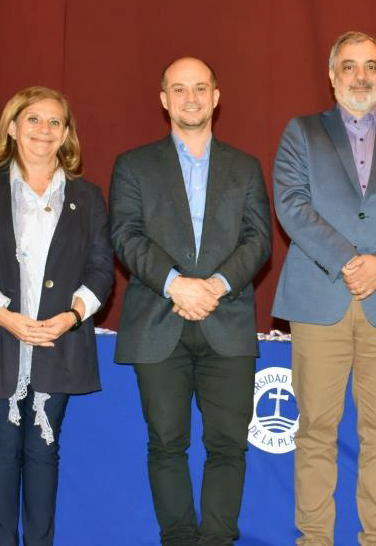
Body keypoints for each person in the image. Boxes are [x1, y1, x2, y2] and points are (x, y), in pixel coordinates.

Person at [272, 31, 376, 545]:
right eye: (349, 66)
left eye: (370, 67)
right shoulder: (301, 132)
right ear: (331, 75)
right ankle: (314, 539)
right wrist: (349, 260)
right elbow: (291, 204)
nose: (360, 76)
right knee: (316, 431)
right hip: (320, 298)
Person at [0, 87, 114, 546]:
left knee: (43, 452)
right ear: (12, 128)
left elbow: (101, 269)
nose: (44, 130)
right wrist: (4, 315)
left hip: (60, 340)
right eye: (33, 119)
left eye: (55, 122)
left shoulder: (88, 197)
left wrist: (72, 316)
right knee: (1, 451)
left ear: (66, 134)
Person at [109, 57, 272, 545]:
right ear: (164, 100)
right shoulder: (134, 165)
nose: (191, 98)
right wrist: (176, 284)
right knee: (166, 444)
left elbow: (258, 241)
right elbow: (125, 235)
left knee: (228, 447)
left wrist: (216, 286)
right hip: (158, 322)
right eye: (179, 90)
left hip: (229, 321)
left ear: (216, 97)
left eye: (200, 88)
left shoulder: (245, 167)